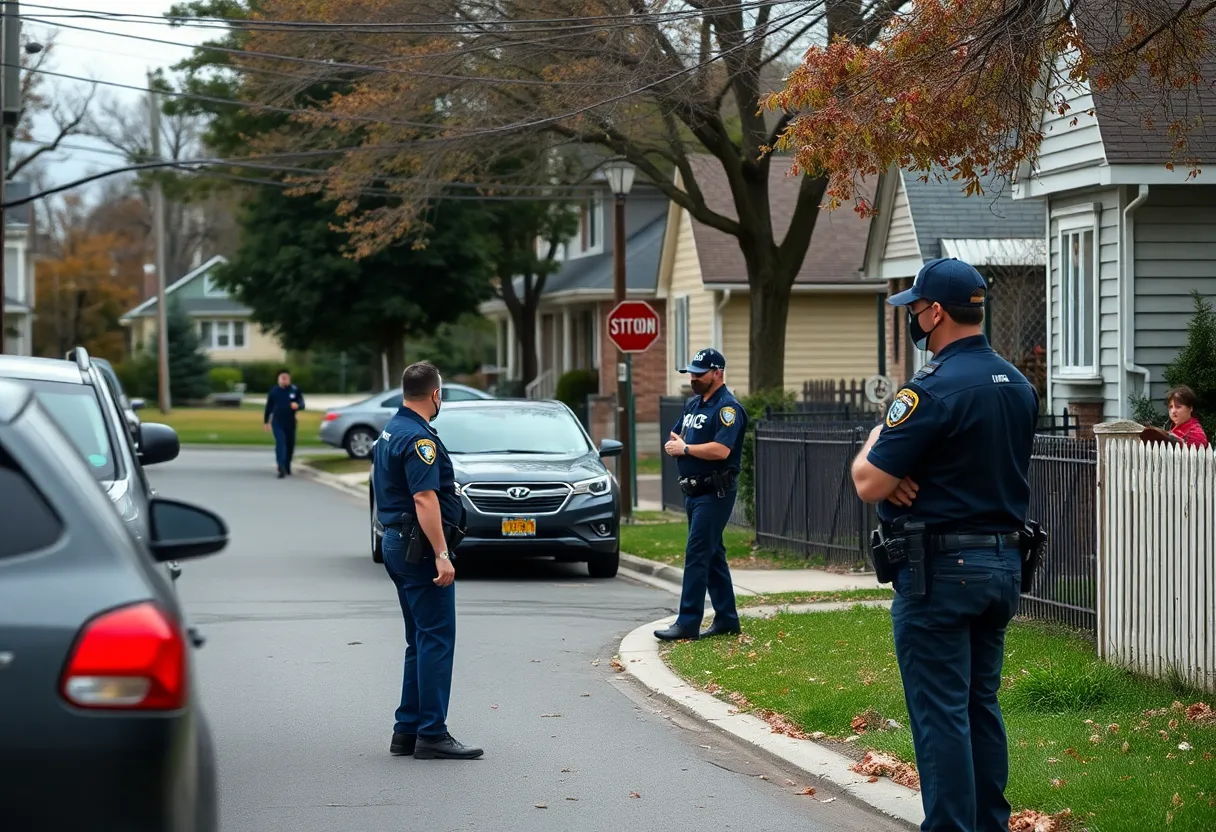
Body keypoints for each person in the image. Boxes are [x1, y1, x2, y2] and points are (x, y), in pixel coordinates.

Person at [850, 258, 1039, 832]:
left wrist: (877, 438)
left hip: (941, 572)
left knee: (941, 714)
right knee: (980, 705)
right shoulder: (1019, 385)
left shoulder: (928, 391)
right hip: (1003, 563)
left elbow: (869, 481)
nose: (911, 316)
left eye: (914, 307)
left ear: (936, 312)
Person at [372, 361, 482, 761]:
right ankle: (432, 733)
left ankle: (407, 730)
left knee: (419, 640)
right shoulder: (419, 439)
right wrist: (441, 553)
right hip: (418, 549)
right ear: (436, 394)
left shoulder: (391, 430)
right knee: (435, 639)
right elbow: (424, 498)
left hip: (396, 542)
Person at [655, 348, 748, 641]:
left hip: (714, 491)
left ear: (717, 373)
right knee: (713, 555)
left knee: (697, 554)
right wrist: (679, 445)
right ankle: (727, 619)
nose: (693, 378)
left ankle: (687, 623)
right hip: (693, 490)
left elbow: (721, 450)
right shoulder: (694, 404)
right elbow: (677, 435)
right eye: (691, 373)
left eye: (699, 373)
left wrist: (686, 449)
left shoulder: (728, 409)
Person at [263, 368, 304, 478]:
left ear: (289, 379)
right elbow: (269, 406)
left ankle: (287, 465)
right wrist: (266, 421)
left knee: (290, 444)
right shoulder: (274, 391)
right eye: (282, 378)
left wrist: (298, 406)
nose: (284, 380)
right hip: (277, 421)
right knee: (281, 442)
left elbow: (302, 404)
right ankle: (280, 466)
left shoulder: (295, 390)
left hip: (290, 421)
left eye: (286, 378)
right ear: (278, 379)